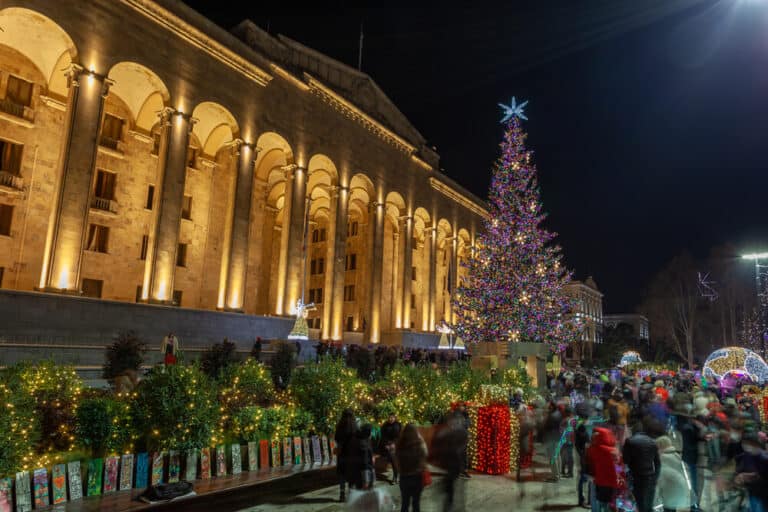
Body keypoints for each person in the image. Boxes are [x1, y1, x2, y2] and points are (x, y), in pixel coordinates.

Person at [622, 422, 660, 512]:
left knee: (639, 501)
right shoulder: (653, 442)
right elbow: (657, 462)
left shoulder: (630, 441)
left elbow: (625, 460)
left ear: (634, 430)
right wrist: (655, 477)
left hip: (636, 475)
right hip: (650, 475)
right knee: (648, 502)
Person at [586, 427, 625, 512]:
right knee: (614, 502)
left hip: (600, 481)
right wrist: (621, 478)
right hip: (614, 482)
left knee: (602, 502)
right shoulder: (614, 451)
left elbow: (591, 465)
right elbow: (619, 467)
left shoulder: (592, 449)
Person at [654, 435, 693, 512]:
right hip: (679, 491)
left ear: (660, 447)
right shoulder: (677, 456)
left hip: (668, 493)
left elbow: (660, 480)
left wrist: (656, 499)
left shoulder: (662, 459)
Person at [396, 423, 428, 512]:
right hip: (417, 477)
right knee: (416, 503)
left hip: (404, 477)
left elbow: (397, 459)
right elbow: (426, 453)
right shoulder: (419, 444)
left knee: (405, 503)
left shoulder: (400, 444)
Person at [734, 431, 768, 512]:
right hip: (752, 492)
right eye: (744, 443)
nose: (746, 446)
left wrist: (746, 476)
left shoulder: (763, 457)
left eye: (748, 443)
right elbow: (741, 469)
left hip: (762, 494)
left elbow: (760, 475)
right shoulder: (746, 455)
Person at [334, 409, 357, 502]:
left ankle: (342, 495)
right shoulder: (354, 425)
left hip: (342, 454)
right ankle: (351, 494)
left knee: (342, 475)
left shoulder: (340, 425)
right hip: (352, 453)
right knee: (351, 474)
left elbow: (336, 438)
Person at [346, 423, 375, 491]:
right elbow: (364, 461)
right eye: (371, 432)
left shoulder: (362, 439)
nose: (372, 434)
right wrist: (366, 479)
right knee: (365, 491)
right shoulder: (363, 442)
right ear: (367, 432)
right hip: (364, 471)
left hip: (360, 470)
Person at [381, 413, 402, 484]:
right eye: (389, 417)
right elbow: (383, 436)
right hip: (386, 444)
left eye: (392, 417)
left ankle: (395, 476)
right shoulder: (385, 425)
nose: (390, 419)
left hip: (395, 445)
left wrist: (394, 444)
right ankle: (396, 476)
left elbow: (398, 436)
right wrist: (386, 444)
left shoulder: (398, 425)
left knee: (393, 458)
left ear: (395, 418)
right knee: (392, 457)